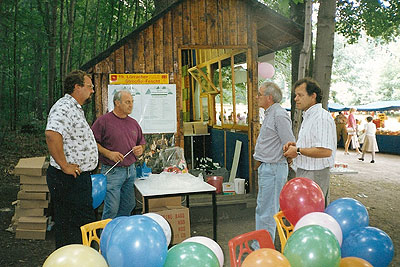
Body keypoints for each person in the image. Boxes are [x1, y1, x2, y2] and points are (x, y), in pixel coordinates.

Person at [45, 70, 98, 248]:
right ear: (77, 87)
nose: (92, 91)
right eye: (90, 87)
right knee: (75, 224)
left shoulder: (74, 108)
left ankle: (78, 257)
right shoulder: (64, 107)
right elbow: (52, 135)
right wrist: (64, 165)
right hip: (68, 178)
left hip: (76, 177)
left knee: (75, 224)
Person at [91, 90, 145, 219]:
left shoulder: (133, 123)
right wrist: (108, 153)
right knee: (112, 208)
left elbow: (142, 143)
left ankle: (118, 233)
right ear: (117, 103)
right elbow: (92, 142)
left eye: (132, 102)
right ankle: (104, 236)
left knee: (128, 205)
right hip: (112, 171)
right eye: (127, 102)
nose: (131, 105)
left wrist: (140, 149)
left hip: (130, 171)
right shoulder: (103, 121)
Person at [283, 77, 336, 205]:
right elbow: (315, 145)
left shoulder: (321, 118)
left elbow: (325, 151)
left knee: (312, 213)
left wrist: (298, 150)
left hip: (315, 173)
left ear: (313, 96)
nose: (296, 99)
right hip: (305, 171)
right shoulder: (309, 116)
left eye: (300, 95)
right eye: (296, 95)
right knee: (303, 212)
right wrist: (296, 147)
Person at [253, 82, 295, 241]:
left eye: (259, 94)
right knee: (263, 209)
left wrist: (286, 161)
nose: (257, 97)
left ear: (269, 98)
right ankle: (262, 244)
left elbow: (289, 144)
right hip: (269, 168)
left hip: (274, 168)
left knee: (268, 210)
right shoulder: (271, 113)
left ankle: (264, 247)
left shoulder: (279, 114)